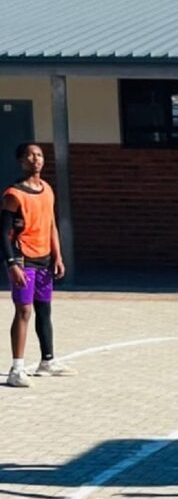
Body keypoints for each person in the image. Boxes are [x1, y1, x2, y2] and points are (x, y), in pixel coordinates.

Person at [3, 143, 74, 387]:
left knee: (44, 309)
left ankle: (47, 361)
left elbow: (51, 224)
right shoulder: (14, 194)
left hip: (44, 258)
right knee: (23, 311)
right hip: (23, 259)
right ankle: (17, 368)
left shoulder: (47, 190)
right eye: (30, 155)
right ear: (22, 161)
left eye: (40, 154)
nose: (36, 159)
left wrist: (58, 255)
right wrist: (11, 263)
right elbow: (3, 233)